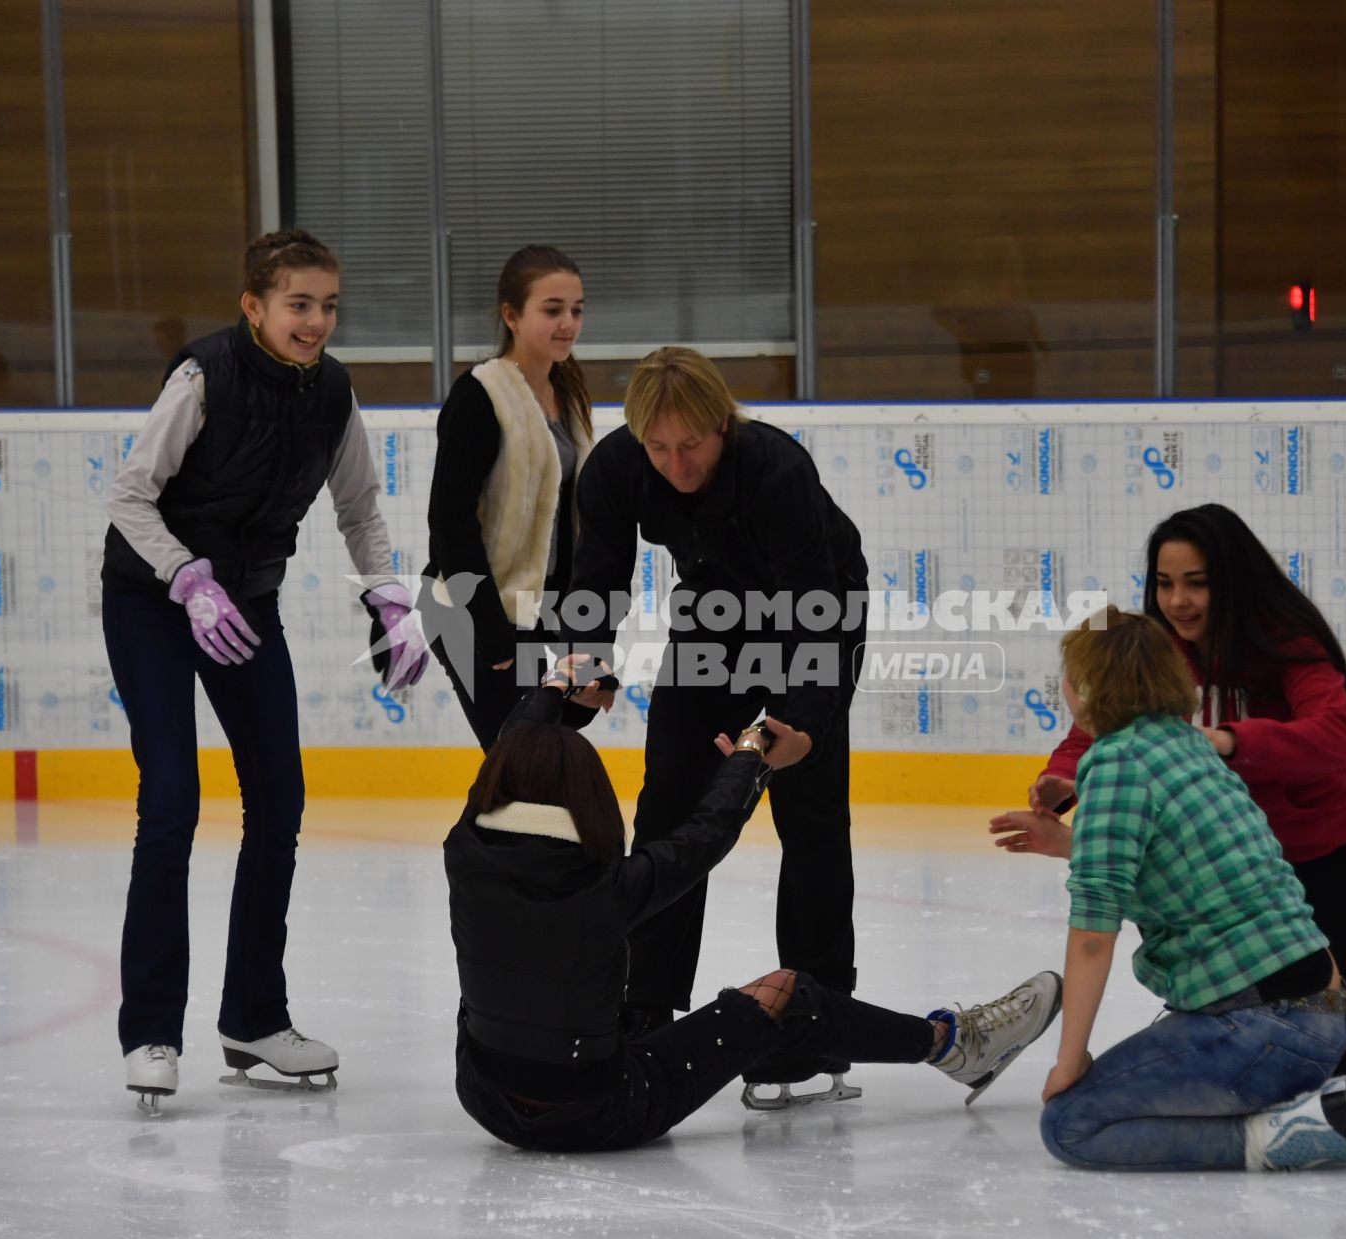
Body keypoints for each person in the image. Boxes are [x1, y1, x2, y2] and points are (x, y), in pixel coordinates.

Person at [999, 502, 1346, 1107]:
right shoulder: (1162, 646)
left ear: (1232, 581)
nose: (1177, 601)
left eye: (1197, 583)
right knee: (1246, 1045)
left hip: (1317, 858)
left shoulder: (1288, 645)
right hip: (1218, 868)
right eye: (1165, 584)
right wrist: (1063, 778)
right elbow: (1107, 718)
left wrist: (1229, 739)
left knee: (1305, 1052)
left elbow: (1333, 737)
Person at [445, 659, 1063, 1152]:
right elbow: (705, 834)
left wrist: (555, 686)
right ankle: (955, 1045)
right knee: (788, 991)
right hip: (598, 1111)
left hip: (484, 1094)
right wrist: (748, 754)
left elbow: (511, 750)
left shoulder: (463, 848)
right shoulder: (610, 888)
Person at [101, 228, 429, 1111]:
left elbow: (359, 509)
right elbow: (130, 493)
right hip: (152, 601)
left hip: (246, 605)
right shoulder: (203, 376)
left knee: (278, 798)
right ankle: (151, 1033)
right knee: (170, 801)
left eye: (328, 305)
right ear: (254, 306)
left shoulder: (333, 395)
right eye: (298, 304)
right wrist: (185, 577)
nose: (316, 321)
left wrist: (389, 598)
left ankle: (253, 1015)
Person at [561, 345, 870, 1106]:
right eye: (658, 447)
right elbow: (596, 578)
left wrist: (799, 722)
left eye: (690, 445)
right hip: (714, 615)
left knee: (811, 812)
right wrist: (586, 665)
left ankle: (816, 1012)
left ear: (721, 425)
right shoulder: (615, 468)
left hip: (819, 610)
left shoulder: (777, 470)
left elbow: (816, 610)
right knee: (669, 799)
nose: (675, 463)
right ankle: (646, 998)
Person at [1034, 608, 1346, 1171]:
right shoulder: (1186, 743)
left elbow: (1091, 935)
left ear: (1082, 687)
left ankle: (1289, 1135)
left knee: (1070, 1126)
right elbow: (1166, 860)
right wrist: (1064, 842)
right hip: (1321, 1014)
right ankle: (1294, 1110)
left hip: (1264, 1031)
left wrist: (1069, 1057)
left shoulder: (1113, 761)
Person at [424, 245, 596, 748]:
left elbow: (571, 522)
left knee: (548, 759)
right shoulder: (480, 395)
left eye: (576, 310)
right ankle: (481, 832)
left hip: (540, 610)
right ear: (511, 315)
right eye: (552, 309)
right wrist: (489, 628)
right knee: (524, 766)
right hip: (474, 612)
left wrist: (578, 630)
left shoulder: (570, 393)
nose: (568, 322)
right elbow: (449, 521)